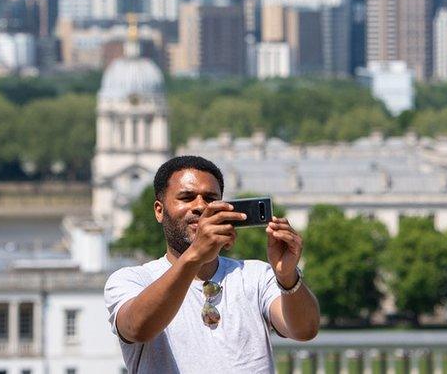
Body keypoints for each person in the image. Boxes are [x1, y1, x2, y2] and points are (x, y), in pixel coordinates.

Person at [104, 155, 320, 373]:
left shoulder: (256, 275)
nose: (200, 206)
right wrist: (196, 254)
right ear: (159, 210)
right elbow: (138, 328)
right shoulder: (131, 279)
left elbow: (305, 330)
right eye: (187, 197)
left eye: (210, 198)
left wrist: (287, 276)